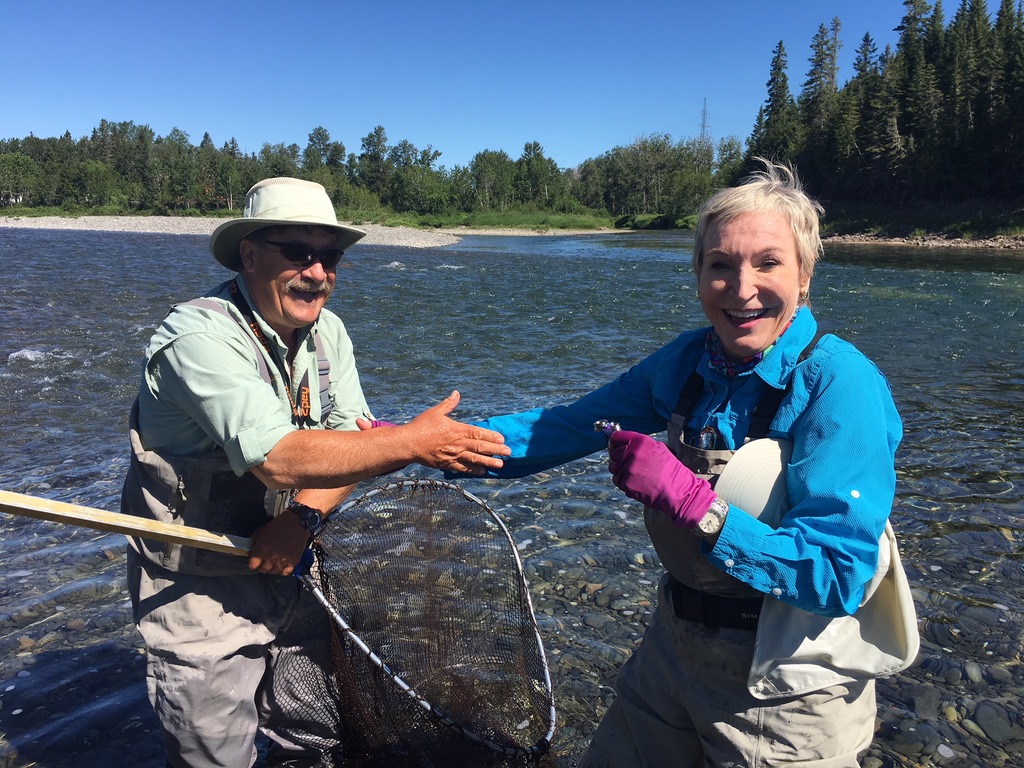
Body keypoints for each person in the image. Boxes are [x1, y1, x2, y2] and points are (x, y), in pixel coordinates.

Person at [455, 161, 918, 767]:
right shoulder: (686, 361)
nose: (742, 287)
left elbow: (837, 576)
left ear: (805, 276)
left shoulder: (838, 383)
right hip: (675, 647)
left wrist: (698, 506)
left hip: (787, 684)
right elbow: (564, 427)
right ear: (698, 274)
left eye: (768, 263)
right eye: (720, 264)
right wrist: (424, 443)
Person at [121, 176, 509, 768]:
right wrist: (411, 443)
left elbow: (354, 444)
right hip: (196, 579)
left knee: (312, 737)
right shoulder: (196, 338)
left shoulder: (328, 332)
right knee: (213, 751)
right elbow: (278, 458)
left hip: (292, 560)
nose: (317, 272)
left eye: (330, 257)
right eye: (298, 253)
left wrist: (303, 519)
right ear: (249, 254)